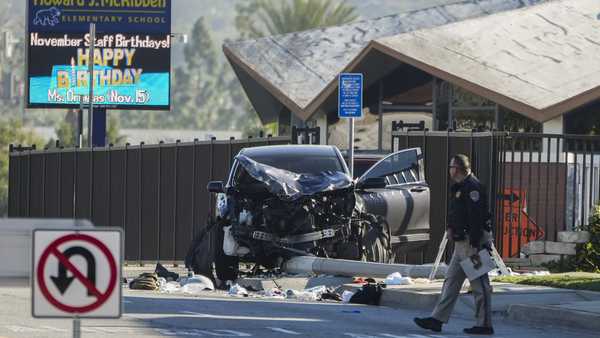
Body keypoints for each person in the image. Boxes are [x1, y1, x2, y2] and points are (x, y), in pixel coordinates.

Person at [414, 154, 494, 335]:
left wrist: (474, 243)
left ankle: (485, 324)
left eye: (451, 167)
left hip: (471, 243)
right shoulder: (461, 187)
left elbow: (476, 218)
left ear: (456, 169)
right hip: (460, 244)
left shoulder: (473, 187)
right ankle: (437, 319)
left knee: (480, 285)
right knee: (451, 282)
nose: (449, 170)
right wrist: (451, 227)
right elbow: (458, 212)